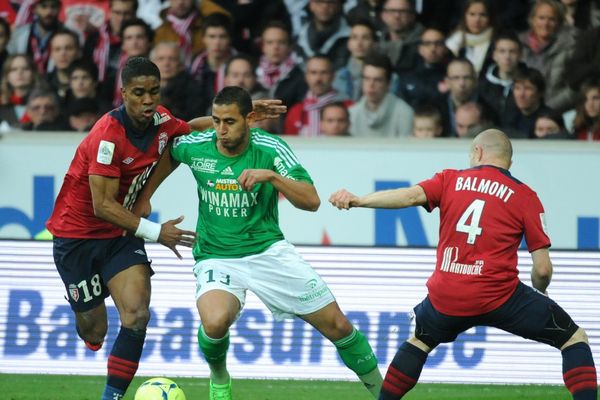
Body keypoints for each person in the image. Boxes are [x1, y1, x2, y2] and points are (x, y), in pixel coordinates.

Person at [45, 57, 287, 400]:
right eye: (139, 93)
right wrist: (157, 233)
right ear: (123, 92)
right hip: (77, 236)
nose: (148, 100)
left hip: (119, 236)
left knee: (137, 313)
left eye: (154, 92)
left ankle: (110, 396)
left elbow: (190, 127)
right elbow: (104, 206)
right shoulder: (107, 137)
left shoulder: (158, 119)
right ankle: (88, 328)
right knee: (95, 329)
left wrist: (241, 117)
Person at [133, 86, 384, 400]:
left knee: (339, 326)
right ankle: (220, 377)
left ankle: (383, 393)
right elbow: (171, 147)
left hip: (268, 252)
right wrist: (145, 197)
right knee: (214, 322)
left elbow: (312, 201)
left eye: (230, 122)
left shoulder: (271, 147)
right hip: (216, 255)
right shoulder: (197, 146)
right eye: (216, 121)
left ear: (249, 119)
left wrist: (273, 178)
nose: (221, 131)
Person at [329, 129, 598, 400]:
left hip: (447, 297)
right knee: (573, 339)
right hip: (501, 297)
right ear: (509, 163)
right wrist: (542, 291)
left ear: (478, 152)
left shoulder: (449, 180)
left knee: (420, 341)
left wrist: (359, 200)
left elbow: (408, 197)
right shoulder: (524, 195)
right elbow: (542, 269)